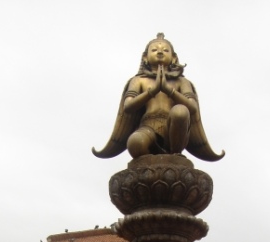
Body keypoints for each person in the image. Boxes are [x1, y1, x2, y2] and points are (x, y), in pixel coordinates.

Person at [92, 33, 224, 162]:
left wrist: (168, 90)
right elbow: (128, 107)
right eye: (154, 50)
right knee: (135, 143)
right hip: (147, 127)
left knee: (180, 111)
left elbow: (192, 108)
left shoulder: (182, 82)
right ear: (145, 57)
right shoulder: (138, 80)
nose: (160, 52)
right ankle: (156, 153)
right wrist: (153, 91)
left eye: (165, 50)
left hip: (173, 128)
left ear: (174, 58)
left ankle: (174, 154)